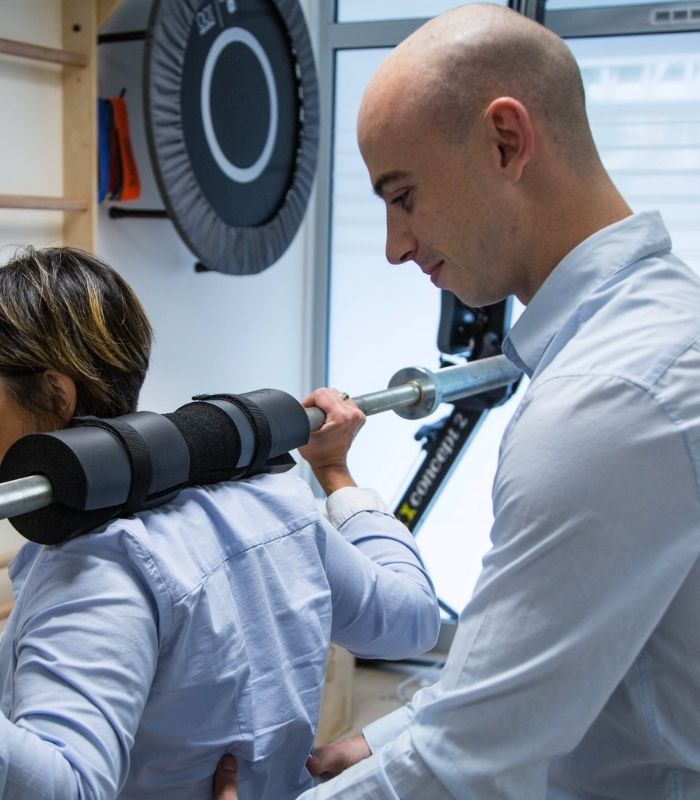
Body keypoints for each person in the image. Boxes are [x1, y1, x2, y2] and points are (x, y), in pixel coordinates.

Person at [207, 2, 700, 797]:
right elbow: (568, 655)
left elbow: (468, 766)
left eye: (403, 196)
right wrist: (402, 728)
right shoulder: (652, 330)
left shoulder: (608, 398)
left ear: (507, 141)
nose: (397, 246)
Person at [0, 246, 440, 799]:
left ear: (55, 393)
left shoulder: (96, 564)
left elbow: (66, 788)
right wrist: (334, 474)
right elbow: (413, 619)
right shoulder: (271, 502)